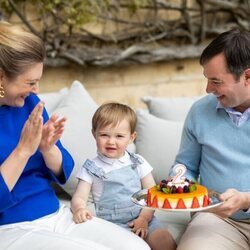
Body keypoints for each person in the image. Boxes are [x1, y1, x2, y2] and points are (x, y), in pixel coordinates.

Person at [0, 21, 151, 250]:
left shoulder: (28, 103)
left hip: (54, 213)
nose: (37, 90)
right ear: (1, 77)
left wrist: (47, 147)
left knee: (137, 247)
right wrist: (23, 151)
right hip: (10, 227)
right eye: (30, 82)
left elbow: (64, 168)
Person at [169, 29, 250, 250]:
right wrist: (179, 181)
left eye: (216, 81)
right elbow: (185, 165)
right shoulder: (199, 111)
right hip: (217, 219)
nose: (208, 89)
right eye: (207, 80)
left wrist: (246, 199)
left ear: (248, 77)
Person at [71, 102, 177, 250]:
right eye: (104, 135)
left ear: (132, 137)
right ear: (94, 134)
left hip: (144, 217)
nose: (111, 141)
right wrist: (79, 209)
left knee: (165, 242)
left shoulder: (138, 162)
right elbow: (79, 197)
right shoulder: (91, 168)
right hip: (111, 225)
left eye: (119, 136)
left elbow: (152, 195)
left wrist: (144, 219)